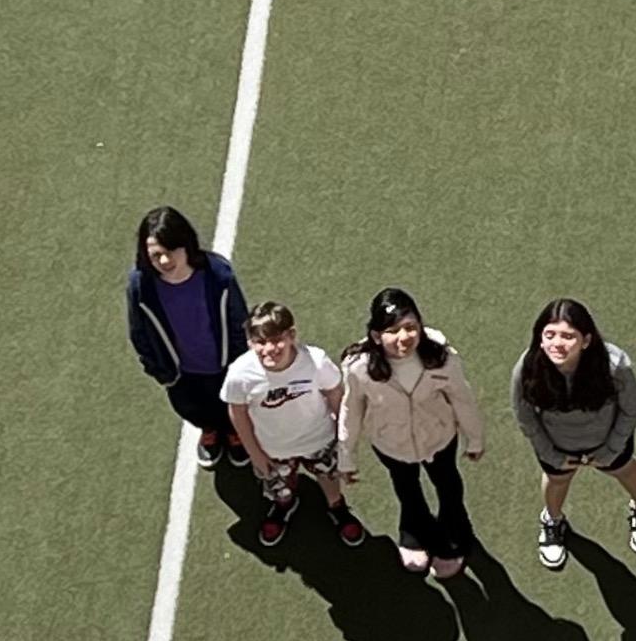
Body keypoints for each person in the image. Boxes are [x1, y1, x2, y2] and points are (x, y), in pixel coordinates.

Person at [339, 288, 481, 578]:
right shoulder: (359, 368)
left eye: (410, 327)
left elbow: (462, 399)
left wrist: (475, 437)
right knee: (406, 488)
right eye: (392, 330)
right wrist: (346, 456)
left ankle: (455, 526)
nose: (404, 338)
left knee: (448, 484)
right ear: (377, 336)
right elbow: (350, 409)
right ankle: (414, 527)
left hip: (439, 438)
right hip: (390, 443)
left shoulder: (441, 358)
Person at [514, 299, 636, 569]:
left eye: (568, 336)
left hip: (608, 443)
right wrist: (551, 454)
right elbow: (525, 416)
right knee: (556, 481)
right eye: (549, 335)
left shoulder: (615, 365)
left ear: (586, 340)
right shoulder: (527, 367)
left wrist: (611, 449)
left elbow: (631, 409)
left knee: (625, 470)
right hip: (558, 447)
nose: (557, 344)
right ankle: (553, 519)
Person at [223, 300, 363, 548]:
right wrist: (255, 454)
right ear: (249, 342)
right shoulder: (240, 374)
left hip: (319, 439)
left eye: (276, 339)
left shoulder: (315, 361)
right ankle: (284, 505)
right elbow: (238, 413)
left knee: (329, 478)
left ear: (292, 335)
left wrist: (344, 443)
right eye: (260, 342)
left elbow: (336, 396)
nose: (269, 349)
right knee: (280, 488)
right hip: (272, 448)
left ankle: (336, 506)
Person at [126, 207, 247, 469]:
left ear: (185, 244)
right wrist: (160, 371)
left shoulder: (217, 274)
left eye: (171, 252)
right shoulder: (141, 286)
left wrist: (238, 361)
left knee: (230, 402)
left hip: (224, 364)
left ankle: (235, 433)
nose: (165, 261)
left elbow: (238, 320)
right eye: (156, 256)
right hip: (180, 372)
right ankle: (210, 431)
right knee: (192, 407)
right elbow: (139, 332)